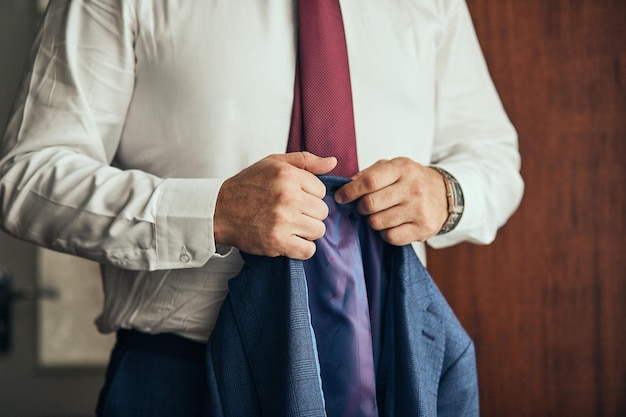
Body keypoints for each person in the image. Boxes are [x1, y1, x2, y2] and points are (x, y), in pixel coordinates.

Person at [0, 0, 523, 415]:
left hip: (391, 371)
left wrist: (445, 193)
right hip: (184, 379)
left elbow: (494, 161)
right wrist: (211, 212)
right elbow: (26, 176)